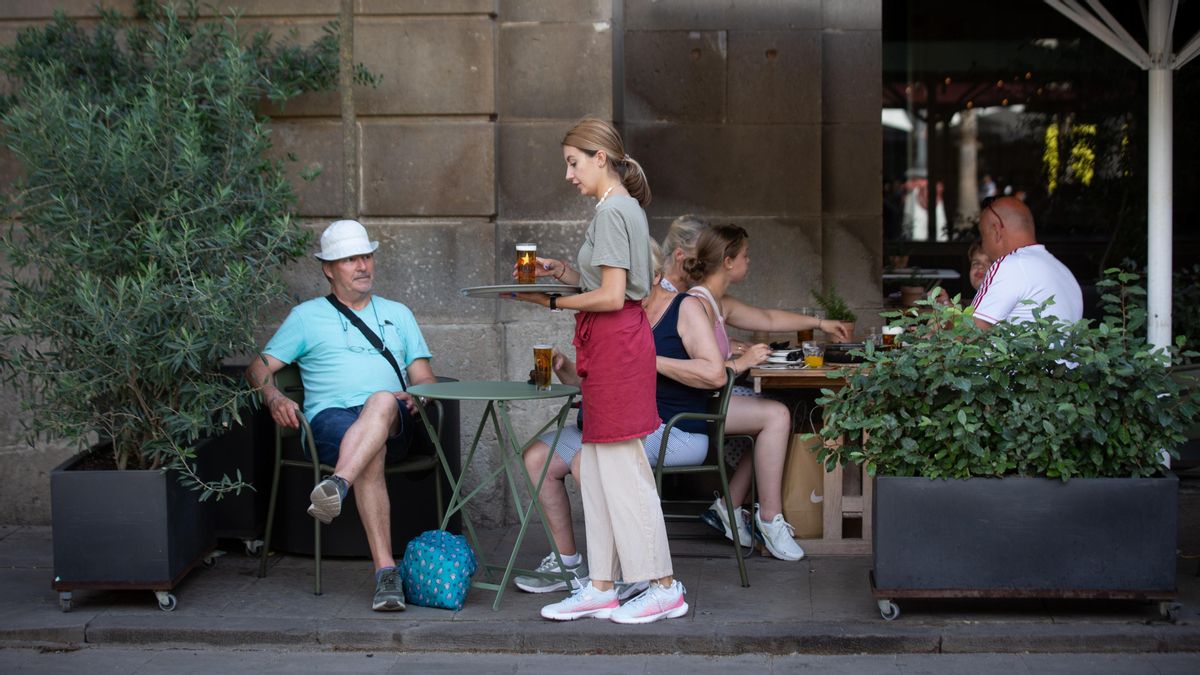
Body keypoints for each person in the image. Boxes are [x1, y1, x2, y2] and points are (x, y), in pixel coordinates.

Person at [511, 118, 685, 624]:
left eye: (573, 162)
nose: (569, 174)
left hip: (616, 346)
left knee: (624, 473)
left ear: (600, 158)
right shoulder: (619, 208)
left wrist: (552, 300)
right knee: (601, 472)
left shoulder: (613, 211)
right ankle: (604, 585)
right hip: (614, 346)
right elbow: (615, 282)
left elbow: (612, 295)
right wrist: (564, 270)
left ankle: (664, 586)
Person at [512, 243, 727, 599]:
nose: (617, 289)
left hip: (675, 428)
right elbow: (603, 383)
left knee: (591, 462)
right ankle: (568, 562)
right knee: (537, 457)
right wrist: (568, 372)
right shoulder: (619, 316)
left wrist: (647, 358)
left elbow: (714, 374)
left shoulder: (684, 308)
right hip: (611, 423)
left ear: (655, 276)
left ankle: (624, 571)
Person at [245, 219, 437, 612]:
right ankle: (386, 574)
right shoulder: (306, 316)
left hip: (394, 418)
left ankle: (337, 485)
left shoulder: (398, 313)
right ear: (328, 269)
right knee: (371, 451)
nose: (363, 265)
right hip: (330, 420)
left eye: (366, 256)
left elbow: (425, 378)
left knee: (381, 401)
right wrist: (273, 397)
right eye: (350, 259)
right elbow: (257, 368)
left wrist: (420, 395)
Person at [680, 224, 847, 561]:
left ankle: (730, 505)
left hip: (714, 399)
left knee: (785, 408)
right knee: (778, 415)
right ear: (728, 261)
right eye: (745, 255)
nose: (749, 260)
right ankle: (769, 519)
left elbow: (768, 317)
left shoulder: (716, 302)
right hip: (694, 406)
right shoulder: (696, 304)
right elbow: (701, 368)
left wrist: (820, 324)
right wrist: (743, 359)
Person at [972, 196, 1082, 327]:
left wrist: (941, 319)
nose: (983, 245)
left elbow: (967, 334)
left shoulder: (1009, 266)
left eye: (983, 236)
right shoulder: (1064, 271)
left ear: (997, 231)